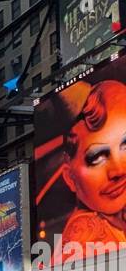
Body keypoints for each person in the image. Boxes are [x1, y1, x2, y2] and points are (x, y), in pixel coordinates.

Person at [54, 79, 126, 259]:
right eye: (97, 157)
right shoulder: (86, 238)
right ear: (70, 177)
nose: (118, 171)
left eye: (125, 145)